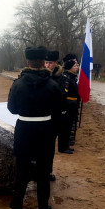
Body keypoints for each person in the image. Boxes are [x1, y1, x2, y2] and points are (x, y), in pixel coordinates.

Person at [7, 46, 63, 209]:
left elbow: (12, 109)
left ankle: (17, 204)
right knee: (43, 170)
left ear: (28, 61)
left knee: (22, 168)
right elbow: (60, 107)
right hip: (45, 129)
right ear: (43, 62)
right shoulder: (53, 84)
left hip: (24, 129)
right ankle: (42, 206)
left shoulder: (18, 84)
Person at [44, 50, 63, 181]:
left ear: (55, 63)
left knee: (50, 148)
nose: (47, 65)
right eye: (45, 62)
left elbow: (61, 101)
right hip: (41, 117)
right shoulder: (42, 76)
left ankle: (48, 170)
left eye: (49, 62)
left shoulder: (60, 78)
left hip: (53, 119)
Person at [56, 54, 81, 154]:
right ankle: (62, 147)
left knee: (69, 127)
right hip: (68, 107)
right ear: (70, 67)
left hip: (72, 106)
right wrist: (64, 108)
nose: (77, 67)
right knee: (64, 129)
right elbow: (63, 94)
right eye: (75, 66)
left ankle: (66, 145)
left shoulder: (72, 77)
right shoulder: (66, 78)